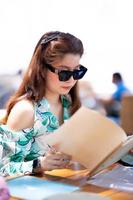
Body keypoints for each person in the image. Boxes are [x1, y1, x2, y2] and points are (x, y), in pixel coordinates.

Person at [0, 31, 87, 176]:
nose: (71, 80)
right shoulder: (26, 111)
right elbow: (3, 167)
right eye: (64, 73)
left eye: (77, 72)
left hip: (63, 184)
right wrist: (39, 164)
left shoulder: (68, 103)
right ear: (42, 69)